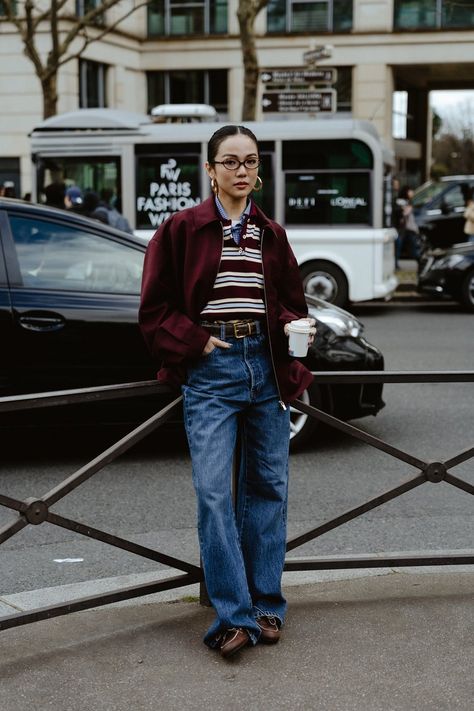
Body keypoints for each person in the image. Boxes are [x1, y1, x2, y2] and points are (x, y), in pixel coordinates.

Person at [139, 125, 316, 659]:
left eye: (251, 161)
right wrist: (197, 341)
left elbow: (290, 302)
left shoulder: (271, 234)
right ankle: (232, 616)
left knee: (268, 490)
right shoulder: (181, 229)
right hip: (211, 372)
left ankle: (265, 606)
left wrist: (294, 328)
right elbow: (153, 312)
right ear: (211, 170)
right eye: (231, 161)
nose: (242, 170)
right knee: (214, 495)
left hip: (265, 368)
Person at [396, 185, 420, 265]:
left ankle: (419, 261)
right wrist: (408, 209)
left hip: (407, 228)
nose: (412, 192)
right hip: (403, 228)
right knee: (402, 245)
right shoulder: (401, 202)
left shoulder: (408, 202)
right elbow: (403, 213)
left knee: (410, 246)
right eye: (410, 191)